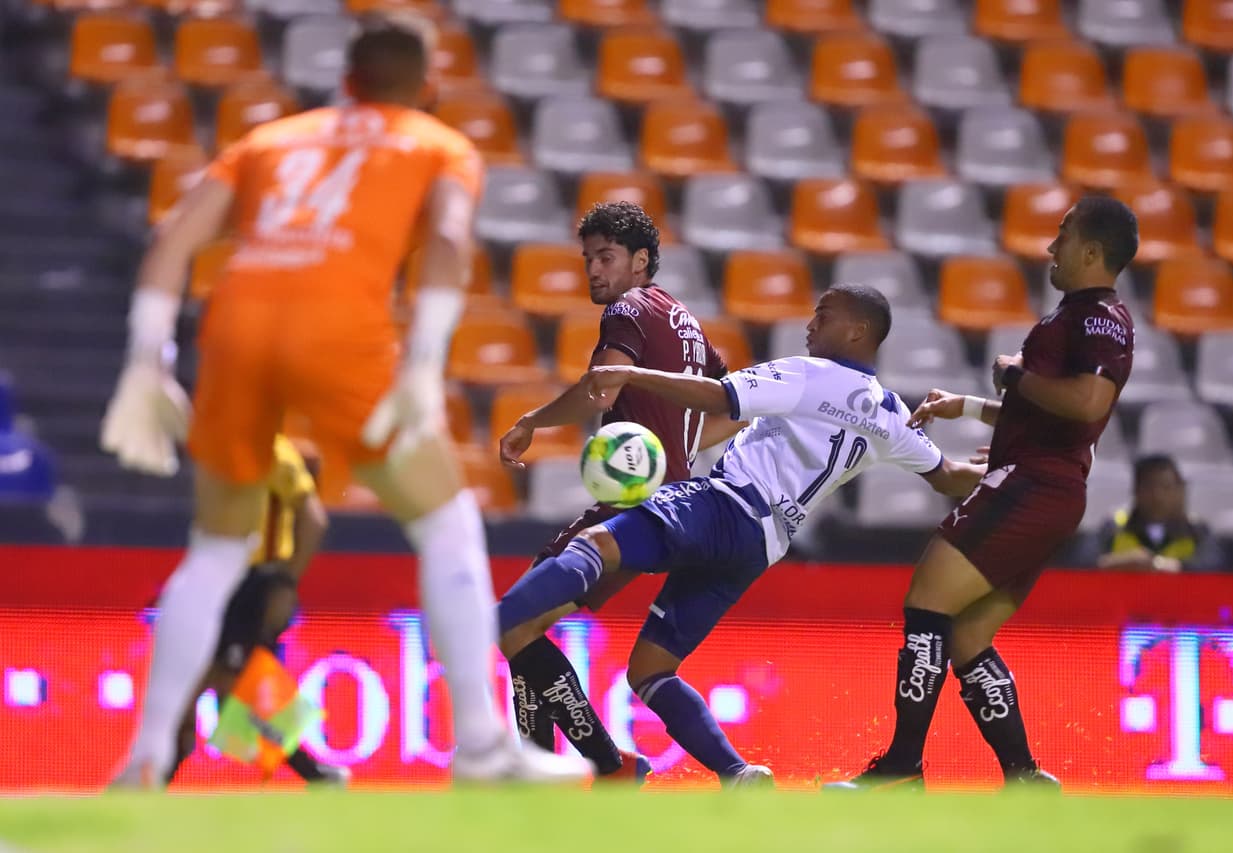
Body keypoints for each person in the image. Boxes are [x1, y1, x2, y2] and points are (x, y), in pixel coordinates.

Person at [99, 19, 589, 786]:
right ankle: (483, 746)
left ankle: (147, 755)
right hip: (339, 331)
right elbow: (452, 243)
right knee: (445, 521)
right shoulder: (437, 145)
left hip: (236, 326)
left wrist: (145, 359)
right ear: (426, 88)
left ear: (346, 78)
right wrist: (426, 361)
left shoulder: (269, 141)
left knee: (216, 551)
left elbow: (173, 238)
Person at [497, 284, 986, 788]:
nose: (810, 325)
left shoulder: (807, 373)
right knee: (650, 670)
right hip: (760, 546)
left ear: (858, 330)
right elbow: (946, 474)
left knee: (595, 545)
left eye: (824, 316)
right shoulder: (889, 413)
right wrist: (994, 471)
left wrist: (632, 373)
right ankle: (738, 773)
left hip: (725, 505)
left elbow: (720, 396)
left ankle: (491, 624)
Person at [828, 195, 1139, 792]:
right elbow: (1056, 414)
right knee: (968, 637)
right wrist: (969, 406)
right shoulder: (1082, 317)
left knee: (926, 605)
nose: (1052, 246)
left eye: (1064, 234)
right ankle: (1023, 776)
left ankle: (900, 769)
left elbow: (1087, 404)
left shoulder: (1094, 319)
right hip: (1047, 487)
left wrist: (1014, 373)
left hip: (1032, 484)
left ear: (1093, 251)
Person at [496, 201, 738, 782]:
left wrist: (530, 420)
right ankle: (542, 767)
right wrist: (674, 450)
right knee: (527, 623)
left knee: (513, 620)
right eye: (588, 260)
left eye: (606, 257)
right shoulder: (687, 322)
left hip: (632, 508)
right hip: (681, 510)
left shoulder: (629, 310)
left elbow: (599, 392)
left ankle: (603, 764)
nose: (594, 271)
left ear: (641, 260)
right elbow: (733, 408)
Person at [165, 435, 347, 786]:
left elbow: (314, 519)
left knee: (229, 686)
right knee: (220, 689)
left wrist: (285, 583)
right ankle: (317, 775)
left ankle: (317, 775)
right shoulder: (220, 447)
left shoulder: (274, 453)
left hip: (252, 587)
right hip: (222, 584)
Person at [1087, 454, 1224, 573]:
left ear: (1179, 491)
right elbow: (1081, 565)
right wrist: (1118, 563)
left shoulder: (1196, 530)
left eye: (1166, 487)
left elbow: (1215, 568)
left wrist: (1167, 566)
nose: (1158, 496)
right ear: (1135, 491)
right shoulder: (1114, 526)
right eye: (1149, 487)